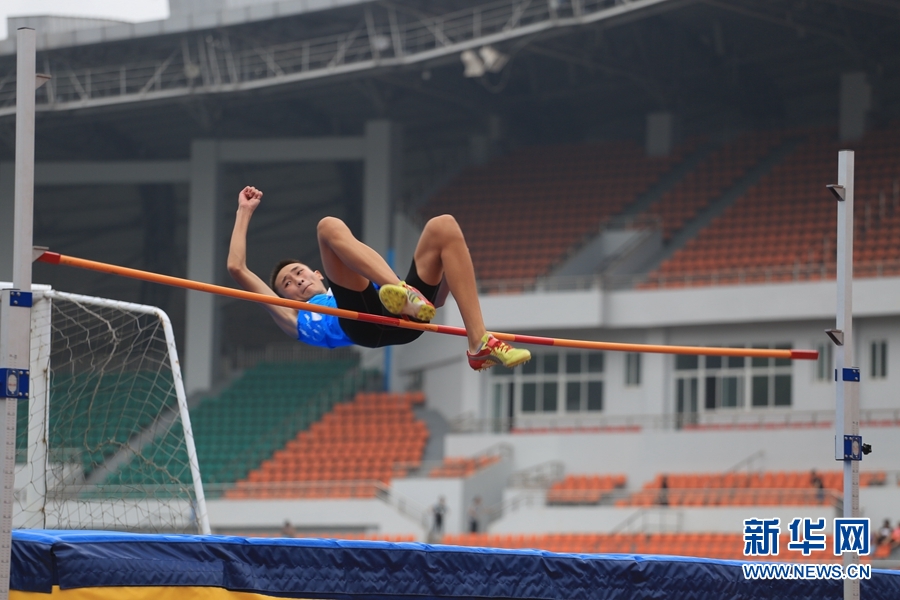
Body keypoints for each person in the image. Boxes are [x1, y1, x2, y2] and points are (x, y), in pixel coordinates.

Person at [228, 186, 531, 370]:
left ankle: (478, 343)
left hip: (406, 322)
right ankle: (400, 291)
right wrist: (244, 211)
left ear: (317, 273)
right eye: (287, 285)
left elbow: (436, 303)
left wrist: (453, 261)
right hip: (363, 326)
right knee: (327, 226)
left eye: (298, 273)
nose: (296, 282)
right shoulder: (292, 315)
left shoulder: (341, 281)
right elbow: (237, 268)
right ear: (284, 298)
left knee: (444, 226)